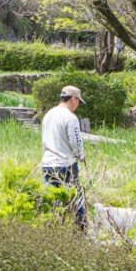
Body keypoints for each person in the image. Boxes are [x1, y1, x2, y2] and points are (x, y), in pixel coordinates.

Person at [41, 85, 87, 229]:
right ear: (73, 99)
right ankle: (80, 229)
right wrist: (81, 155)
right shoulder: (70, 117)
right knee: (75, 197)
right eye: (79, 102)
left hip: (47, 163)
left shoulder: (48, 114)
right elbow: (75, 141)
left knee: (51, 198)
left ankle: (50, 227)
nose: (78, 105)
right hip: (65, 164)